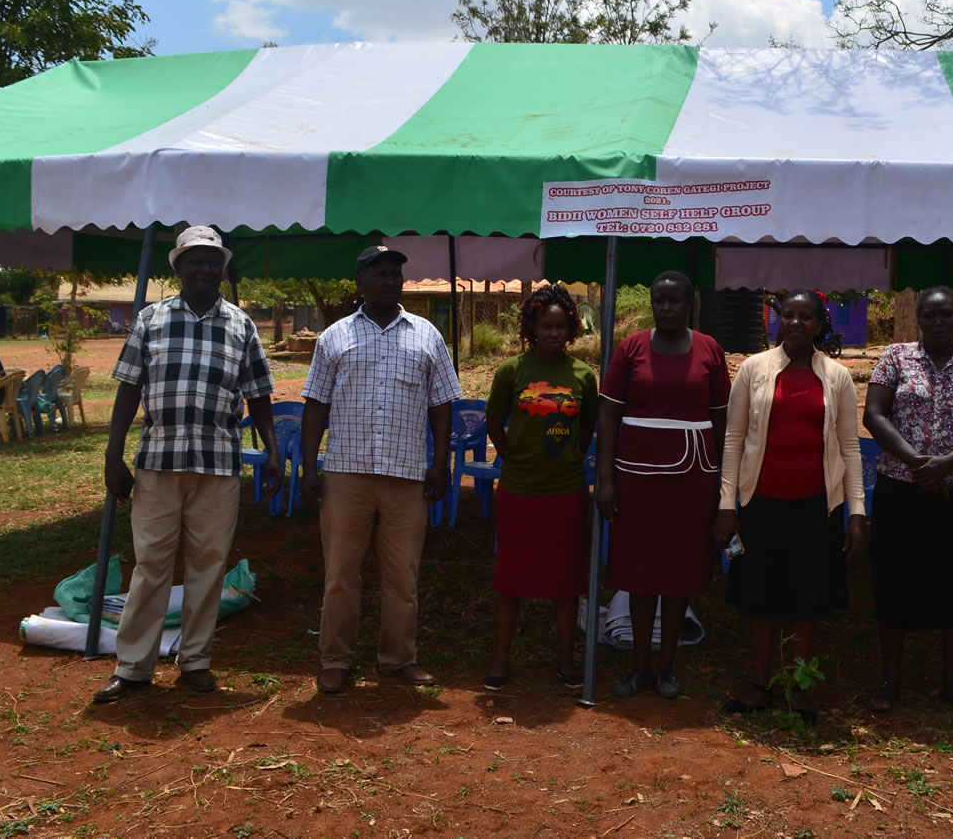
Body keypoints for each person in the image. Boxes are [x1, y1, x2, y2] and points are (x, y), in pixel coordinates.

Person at [93, 225, 281, 703]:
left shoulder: (242, 325)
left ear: (223, 268)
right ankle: (134, 666)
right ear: (177, 267)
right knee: (151, 564)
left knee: (208, 566)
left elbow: (259, 393)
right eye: (194, 260)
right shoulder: (150, 319)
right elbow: (129, 387)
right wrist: (113, 455)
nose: (204, 268)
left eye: (212, 261)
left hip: (219, 463)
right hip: (158, 459)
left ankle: (195, 660)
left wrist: (274, 448)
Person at [302, 244, 461, 694]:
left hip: (407, 476)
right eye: (381, 274)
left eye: (396, 274)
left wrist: (440, 462)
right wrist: (311, 468)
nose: (391, 281)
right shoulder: (333, 337)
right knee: (339, 575)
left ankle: (398, 658)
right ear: (361, 283)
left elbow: (442, 406)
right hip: (346, 474)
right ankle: (335, 659)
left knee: (402, 576)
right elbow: (315, 404)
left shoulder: (427, 335)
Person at [715, 289, 867, 723]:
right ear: (777, 320)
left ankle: (799, 686)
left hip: (817, 508)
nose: (796, 322)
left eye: (806, 316)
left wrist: (856, 512)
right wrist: (727, 504)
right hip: (759, 504)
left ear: (821, 324)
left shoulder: (836, 376)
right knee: (758, 596)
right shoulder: (754, 369)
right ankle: (760, 684)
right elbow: (733, 439)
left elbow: (849, 447)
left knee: (807, 598)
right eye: (788, 315)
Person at [862, 286, 953, 712]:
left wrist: (948, 464)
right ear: (918, 320)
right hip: (901, 488)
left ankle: (952, 682)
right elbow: (874, 414)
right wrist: (919, 465)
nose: (937, 322)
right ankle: (890, 681)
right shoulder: (895, 357)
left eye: (946, 315)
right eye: (929, 316)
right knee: (894, 578)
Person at [595, 270, 730, 700]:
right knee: (639, 571)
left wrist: (727, 488)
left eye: (675, 301)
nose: (666, 307)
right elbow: (608, 415)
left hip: (694, 478)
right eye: (659, 300)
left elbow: (724, 420)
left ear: (690, 303)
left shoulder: (710, 349)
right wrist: (605, 479)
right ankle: (640, 668)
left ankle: (668, 667)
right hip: (635, 478)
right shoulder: (631, 347)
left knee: (679, 572)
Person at [481, 285, 599, 691]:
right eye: (544, 326)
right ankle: (500, 659)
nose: (553, 333)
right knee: (510, 578)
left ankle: (566, 660)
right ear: (530, 327)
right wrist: (511, 455)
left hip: (565, 492)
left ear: (572, 328)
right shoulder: (512, 371)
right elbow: (493, 419)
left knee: (565, 580)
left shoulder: (584, 375)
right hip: (519, 490)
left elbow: (587, 430)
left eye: (560, 326)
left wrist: (570, 459)